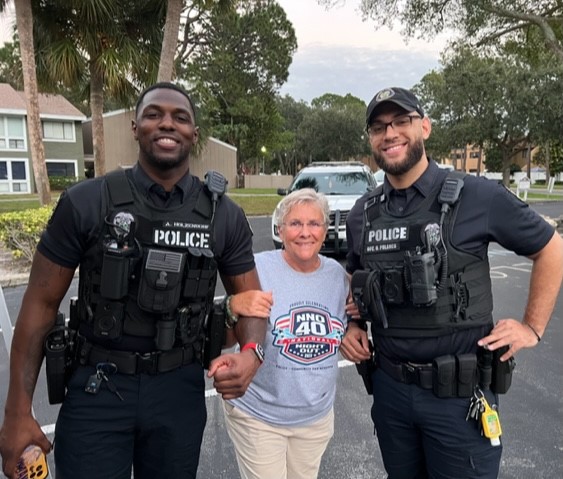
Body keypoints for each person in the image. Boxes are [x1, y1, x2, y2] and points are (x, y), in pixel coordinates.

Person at [0, 82, 266, 479]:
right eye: (154, 114)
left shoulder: (222, 216)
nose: (167, 124)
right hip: (98, 389)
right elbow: (39, 306)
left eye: (180, 117)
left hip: (179, 390)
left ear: (194, 133)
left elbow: (252, 300)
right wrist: (18, 412)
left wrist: (252, 354)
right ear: (136, 127)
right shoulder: (87, 202)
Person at [340, 86, 563, 478]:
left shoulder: (477, 195)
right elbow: (354, 275)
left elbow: (550, 247)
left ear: (424, 126)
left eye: (401, 122)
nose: (389, 133)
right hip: (390, 391)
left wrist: (532, 328)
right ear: (372, 140)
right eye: (378, 127)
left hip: (458, 399)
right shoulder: (363, 214)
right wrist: (353, 324)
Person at [219, 188, 350, 479]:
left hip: (314, 419)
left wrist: (354, 327)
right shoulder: (257, 269)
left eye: (314, 223)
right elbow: (227, 336)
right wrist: (231, 307)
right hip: (259, 416)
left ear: (325, 230)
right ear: (279, 230)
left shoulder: (338, 277)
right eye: (295, 224)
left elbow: (352, 318)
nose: (305, 232)